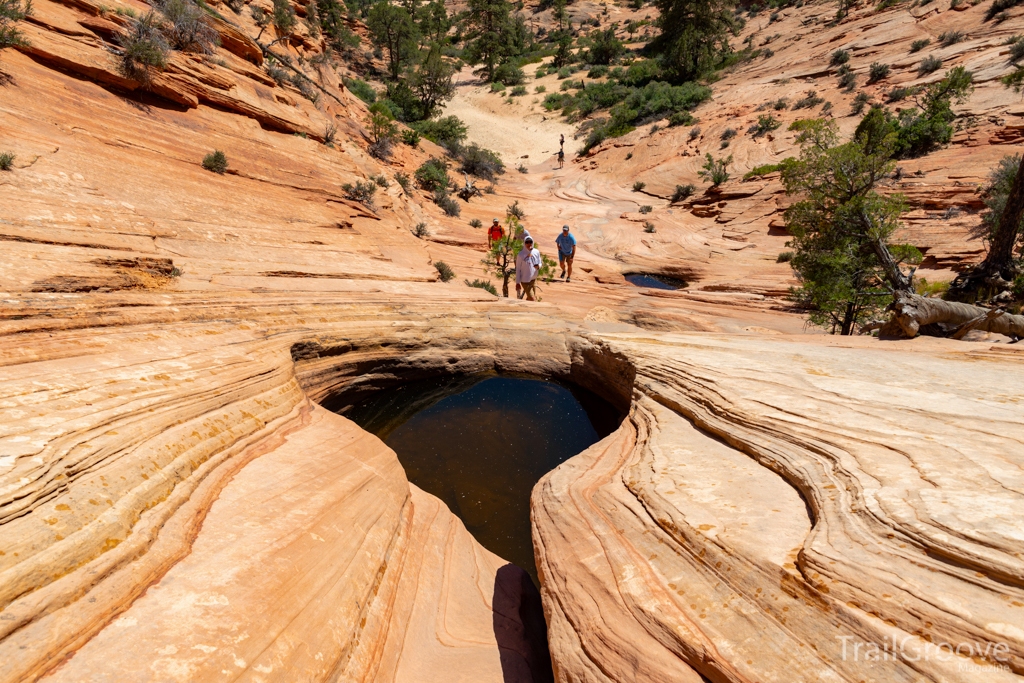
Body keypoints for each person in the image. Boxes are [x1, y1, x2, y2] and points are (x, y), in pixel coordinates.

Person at [515, 236, 542, 301]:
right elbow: (518, 269)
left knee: (530, 298)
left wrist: (538, 266)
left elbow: (540, 263)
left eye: (530, 242)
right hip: (525, 280)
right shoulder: (520, 255)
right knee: (533, 299)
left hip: (533, 279)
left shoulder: (536, 252)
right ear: (524, 243)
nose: (529, 244)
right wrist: (517, 283)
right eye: (527, 242)